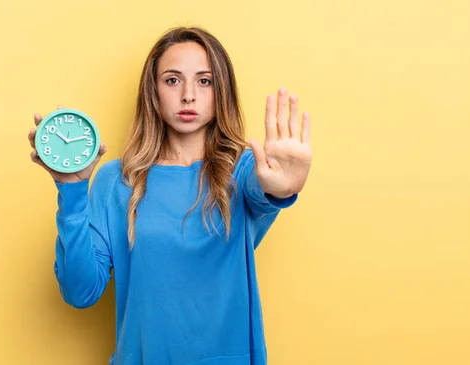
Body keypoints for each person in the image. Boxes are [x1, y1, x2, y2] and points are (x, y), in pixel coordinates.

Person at [27, 26, 312, 365]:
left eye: (204, 81)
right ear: (153, 91)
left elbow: (262, 190)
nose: (188, 95)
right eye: (173, 80)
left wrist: (280, 189)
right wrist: (72, 191)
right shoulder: (117, 180)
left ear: (222, 91)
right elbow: (80, 292)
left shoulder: (245, 169)